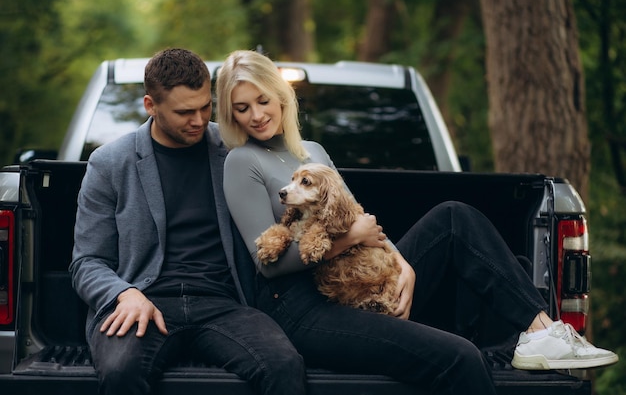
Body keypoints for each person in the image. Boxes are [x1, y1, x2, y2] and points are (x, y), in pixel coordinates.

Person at [215, 49, 618, 394]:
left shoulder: (313, 150)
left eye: (263, 100)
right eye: (242, 107)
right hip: (304, 310)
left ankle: (540, 331)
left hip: (362, 279)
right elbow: (267, 266)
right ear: (231, 114)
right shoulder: (242, 161)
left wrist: (402, 264)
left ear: (281, 97)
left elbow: (362, 223)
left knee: (454, 217)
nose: (256, 115)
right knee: (460, 357)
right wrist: (344, 241)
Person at [69, 48, 306, 395]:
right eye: (184, 112)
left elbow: (303, 184)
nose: (199, 120)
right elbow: (86, 261)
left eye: (205, 107)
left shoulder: (236, 150)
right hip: (144, 303)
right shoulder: (109, 163)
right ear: (151, 106)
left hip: (224, 304)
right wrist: (124, 293)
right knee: (121, 372)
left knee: (284, 366)